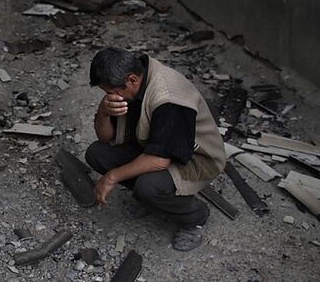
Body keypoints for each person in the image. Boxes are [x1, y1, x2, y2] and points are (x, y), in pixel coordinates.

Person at [86, 47, 226, 251]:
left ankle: (194, 216)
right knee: (97, 154)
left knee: (148, 187)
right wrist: (103, 112)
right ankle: (154, 200)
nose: (110, 97)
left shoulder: (169, 99)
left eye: (110, 92)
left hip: (196, 158)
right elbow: (105, 137)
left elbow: (159, 160)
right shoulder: (133, 85)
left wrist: (112, 177)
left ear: (132, 80)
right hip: (154, 146)